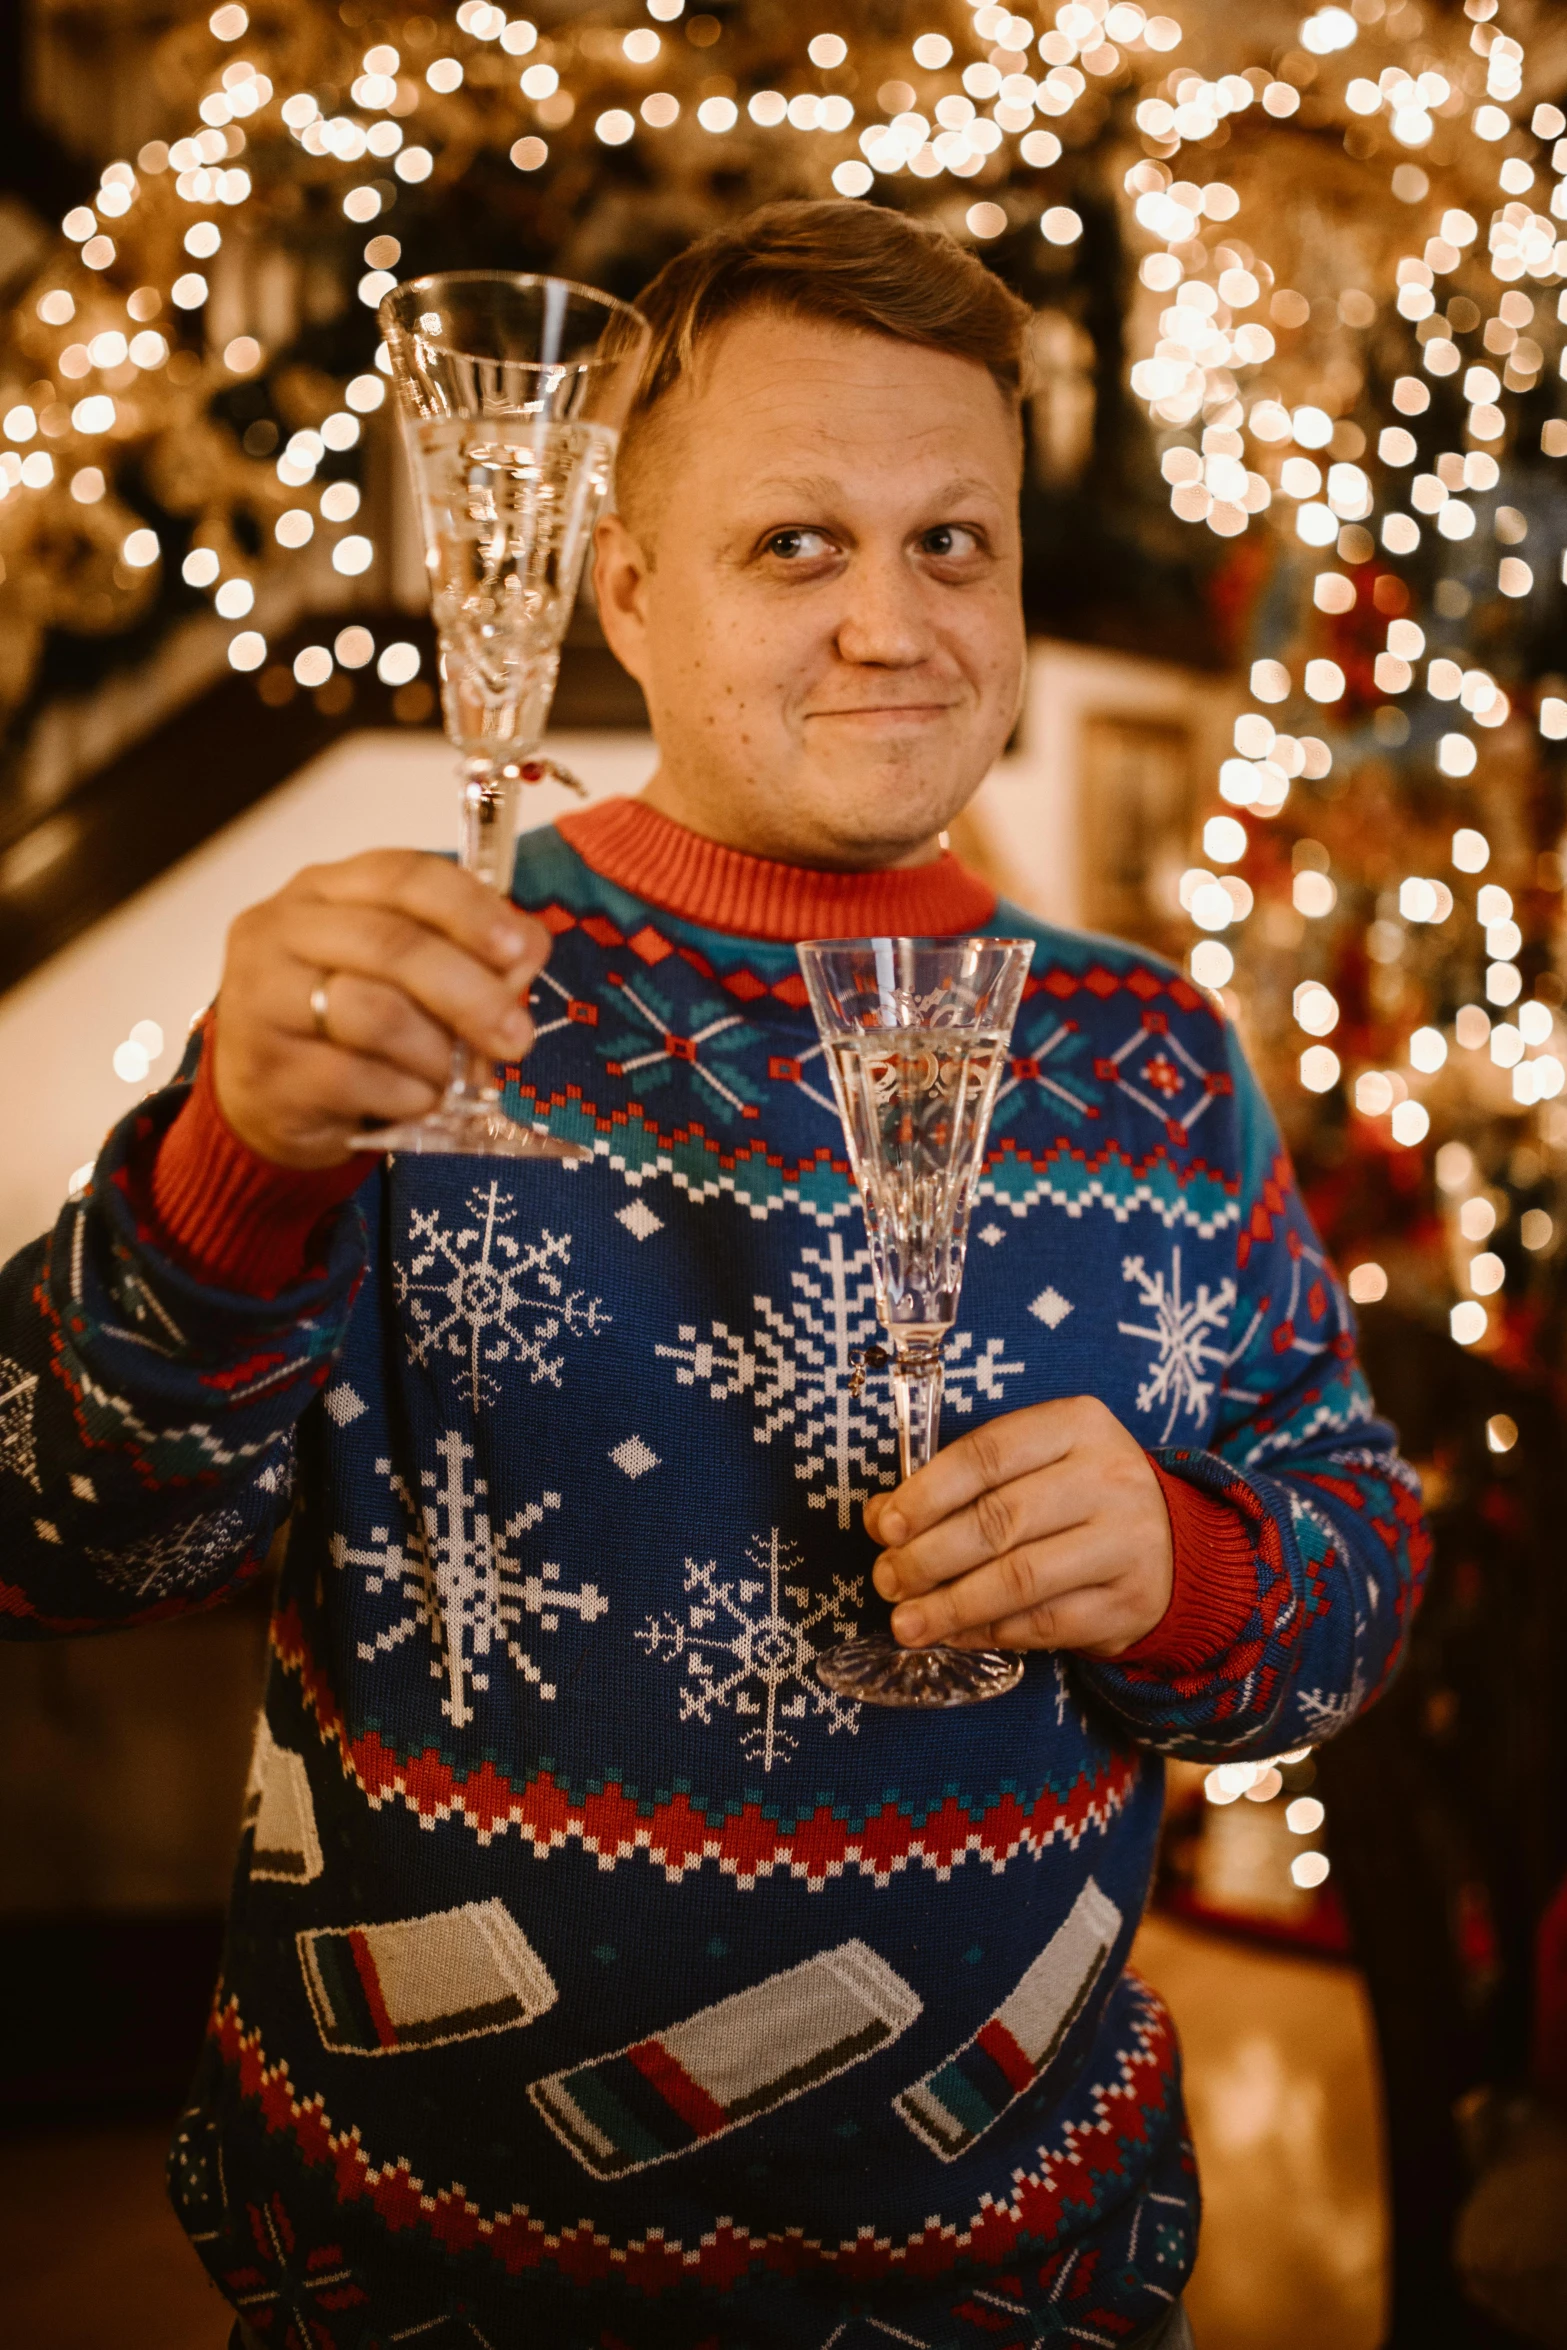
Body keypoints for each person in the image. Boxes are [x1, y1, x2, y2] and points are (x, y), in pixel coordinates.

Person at [0, 201, 1426, 2349]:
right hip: (414, 2289)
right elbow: (55, 1536)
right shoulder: (402, 1002)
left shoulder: (1156, 1056)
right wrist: (235, 1166)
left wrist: (1191, 1570)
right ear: (625, 592)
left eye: (954, 541)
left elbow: (1353, 1592)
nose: (893, 618)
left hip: (1009, 2290)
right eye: (795, 545)